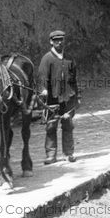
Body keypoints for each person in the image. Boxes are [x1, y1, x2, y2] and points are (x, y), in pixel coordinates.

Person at [38, 30, 80, 164]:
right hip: (52, 99)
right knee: (51, 126)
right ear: (51, 42)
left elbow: (74, 80)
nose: (59, 42)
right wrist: (43, 90)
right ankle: (51, 155)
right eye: (56, 40)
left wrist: (77, 96)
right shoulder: (47, 59)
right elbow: (42, 78)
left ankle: (69, 153)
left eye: (61, 39)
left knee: (68, 125)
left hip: (68, 98)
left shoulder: (70, 59)